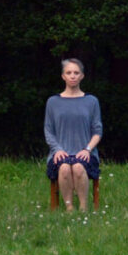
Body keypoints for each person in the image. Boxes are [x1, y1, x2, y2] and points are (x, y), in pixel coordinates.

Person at [44, 58, 102, 212]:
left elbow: (97, 131)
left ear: (82, 76)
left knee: (77, 167)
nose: (72, 76)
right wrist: (57, 150)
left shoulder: (91, 101)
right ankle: (69, 208)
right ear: (63, 76)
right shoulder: (53, 102)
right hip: (60, 152)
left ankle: (83, 208)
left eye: (76, 73)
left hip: (86, 152)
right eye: (69, 73)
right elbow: (48, 131)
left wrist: (87, 149)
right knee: (63, 168)